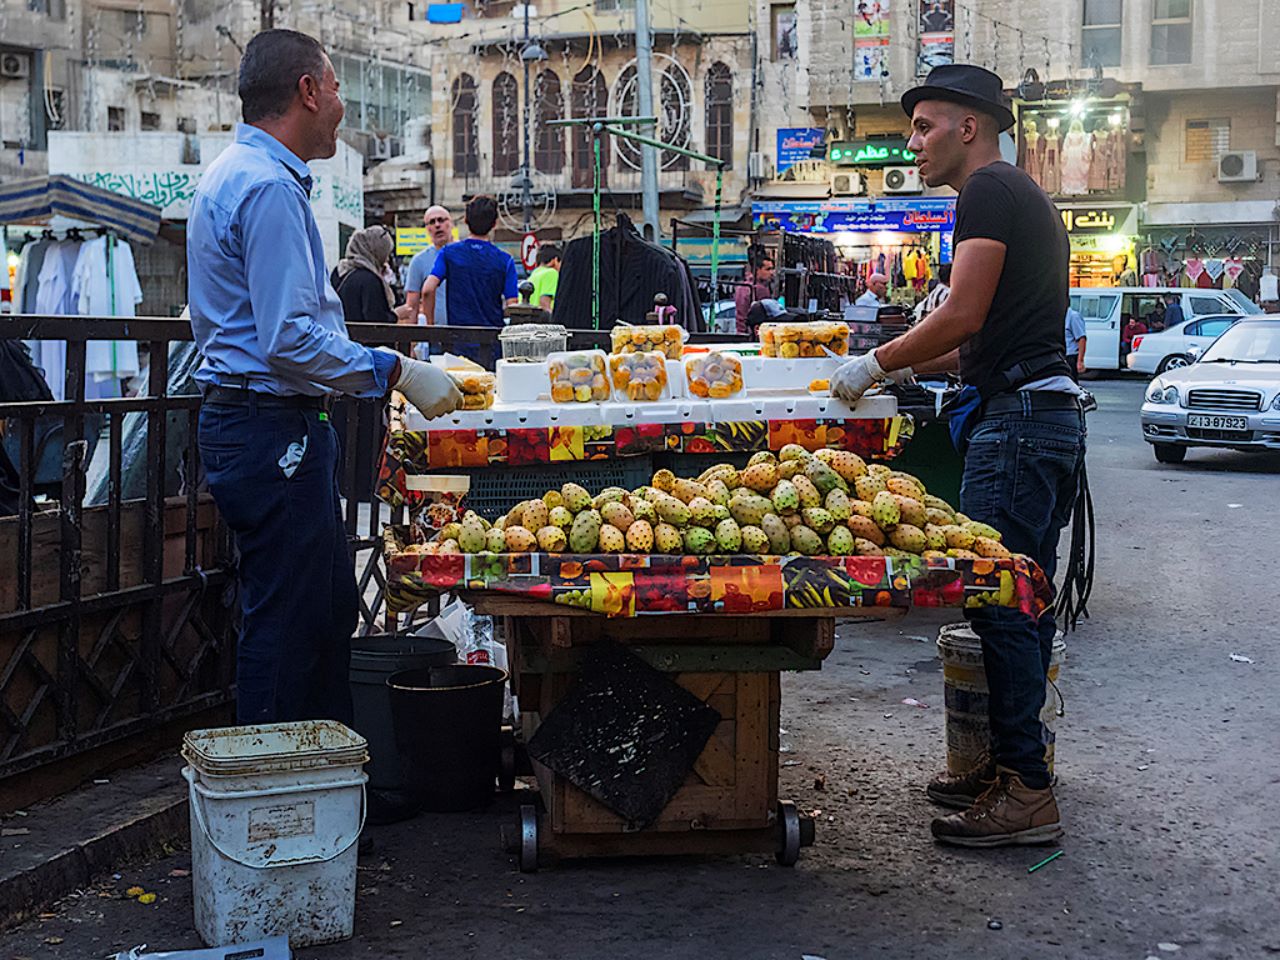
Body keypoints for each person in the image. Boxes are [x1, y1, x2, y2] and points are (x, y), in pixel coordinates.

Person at [831, 64, 1085, 847]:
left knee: (1000, 599)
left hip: (1018, 423)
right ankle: (1014, 766)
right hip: (1035, 412)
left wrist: (875, 364)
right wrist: (906, 365)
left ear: (968, 127)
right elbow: (980, 340)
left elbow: (965, 314)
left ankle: (1026, 793)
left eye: (923, 127)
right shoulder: (1015, 193)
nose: (913, 144)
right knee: (1023, 598)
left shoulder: (989, 191)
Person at [187, 28, 462, 725]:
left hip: (262, 425)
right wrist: (394, 369)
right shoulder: (267, 188)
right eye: (336, 87)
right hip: (267, 427)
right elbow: (287, 341)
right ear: (308, 91)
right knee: (289, 621)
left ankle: (333, 786)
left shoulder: (234, 174)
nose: (341, 104)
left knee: (325, 606)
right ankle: (276, 808)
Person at [421, 195, 518, 328]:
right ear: (494, 224)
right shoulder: (505, 260)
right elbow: (512, 305)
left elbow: (428, 289)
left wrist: (430, 327)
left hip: (457, 339)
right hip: (491, 338)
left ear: (465, 220)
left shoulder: (449, 253)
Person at [331, 225, 398, 324]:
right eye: (385, 254)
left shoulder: (339, 271)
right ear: (377, 253)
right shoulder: (370, 280)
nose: (387, 260)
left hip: (338, 335)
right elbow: (377, 322)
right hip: (358, 338)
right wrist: (396, 315)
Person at [403, 205, 453, 326]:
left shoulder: (465, 255)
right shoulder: (418, 261)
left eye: (441, 220)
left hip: (465, 332)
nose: (437, 225)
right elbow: (412, 306)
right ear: (427, 228)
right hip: (435, 334)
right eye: (431, 222)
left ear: (450, 223)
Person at [734, 253, 777, 333]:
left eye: (772, 269)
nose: (771, 273)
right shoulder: (756, 289)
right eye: (768, 269)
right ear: (757, 270)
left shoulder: (743, 287)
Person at [528, 243, 561, 312]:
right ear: (555, 260)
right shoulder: (551, 273)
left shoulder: (534, 274)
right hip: (543, 320)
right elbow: (545, 304)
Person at [1065, 303, 1087, 378]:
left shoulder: (1073, 316)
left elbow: (1081, 338)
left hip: (1070, 356)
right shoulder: (1058, 316)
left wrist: (1080, 361)